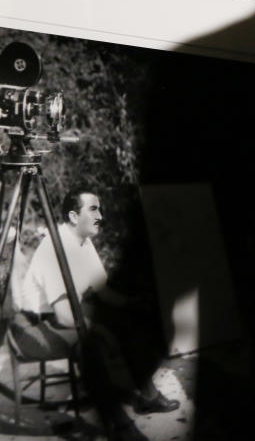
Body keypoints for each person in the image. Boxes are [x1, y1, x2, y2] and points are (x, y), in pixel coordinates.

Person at [14, 189, 179, 441]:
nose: (100, 216)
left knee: (125, 320)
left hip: (66, 311)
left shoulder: (84, 240)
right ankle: (118, 426)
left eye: (99, 209)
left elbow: (103, 292)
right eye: (93, 209)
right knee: (92, 343)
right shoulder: (55, 247)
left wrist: (133, 305)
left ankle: (148, 396)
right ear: (72, 216)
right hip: (33, 325)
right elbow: (64, 316)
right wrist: (100, 329)